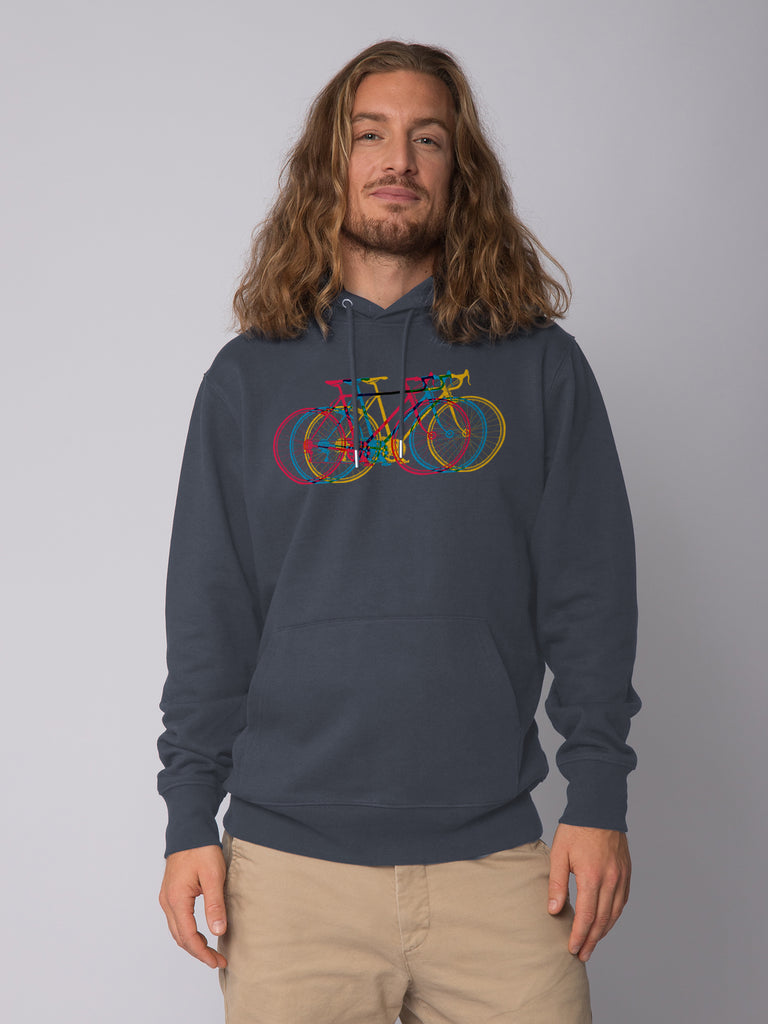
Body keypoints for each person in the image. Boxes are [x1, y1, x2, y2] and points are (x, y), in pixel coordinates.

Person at [157, 40, 640, 1024]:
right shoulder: (248, 378)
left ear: (460, 170)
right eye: (369, 135)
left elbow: (591, 594)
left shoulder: (540, 367)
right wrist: (186, 817)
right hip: (289, 872)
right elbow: (210, 614)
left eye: (428, 138)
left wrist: (597, 797)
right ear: (329, 163)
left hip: (496, 861)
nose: (398, 161)